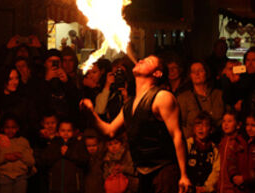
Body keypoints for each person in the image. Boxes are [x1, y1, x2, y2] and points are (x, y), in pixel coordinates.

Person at [80, 54, 192, 193]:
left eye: (148, 61)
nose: (140, 61)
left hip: (164, 171)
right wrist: (91, 113)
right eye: (142, 59)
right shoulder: (129, 105)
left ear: (157, 73)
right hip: (142, 173)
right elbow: (109, 132)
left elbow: (177, 135)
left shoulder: (162, 97)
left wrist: (184, 175)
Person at [36, 119, 89, 193]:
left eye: (69, 131)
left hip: (74, 188)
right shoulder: (53, 144)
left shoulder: (78, 144)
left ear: (73, 132)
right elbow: (44, 161)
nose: (66, 133)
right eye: (63, 130)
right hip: (55, 187)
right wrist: (59, 153)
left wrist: (68, 153)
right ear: (58, 132)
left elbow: (85, 160)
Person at [177, 61, 225, 140]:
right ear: (190, 76)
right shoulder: (184, 98)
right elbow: (180, 125)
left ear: (206, 73)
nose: (197, 74)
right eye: (193, 72)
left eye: (200, 71)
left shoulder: (219, 95)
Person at [0, 115, 35, 193]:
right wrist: (5, 157)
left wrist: (21, 156)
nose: (10, 130)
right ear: (2, 128)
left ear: (18, 128)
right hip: (4, 177)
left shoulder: (23, 142)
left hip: (21, 177)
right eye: (7, 127)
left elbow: (31, 162)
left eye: (13, 127)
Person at [227, 112, 255, 193]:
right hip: (239, 189)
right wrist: (234, 175)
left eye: (253, 125)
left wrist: (244, 178)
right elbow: (231, 160)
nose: (249, 128)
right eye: (247, 125)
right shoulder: (240, 141)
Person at [186, 111, 220, 193]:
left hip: (205, 189)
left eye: (205, 125)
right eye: (198, 124)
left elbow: (216, 171)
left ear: (211, 129)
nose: (200, 128)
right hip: (188, 187)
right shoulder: (188, 144)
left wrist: (206, 187)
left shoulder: (214, 149)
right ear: (194, 128)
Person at [217, 110, 241, 193]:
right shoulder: (222, 142)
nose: (225, 124)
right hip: (221, 187)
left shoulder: (239, 142)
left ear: (238, 125)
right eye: (224, 121)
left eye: (229, 121)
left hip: (232, 188)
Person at [83, 128, 105, 193]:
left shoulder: (102, 157)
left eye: (94, 145)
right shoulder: (83, 159)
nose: (91, 148)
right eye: (89, 146)